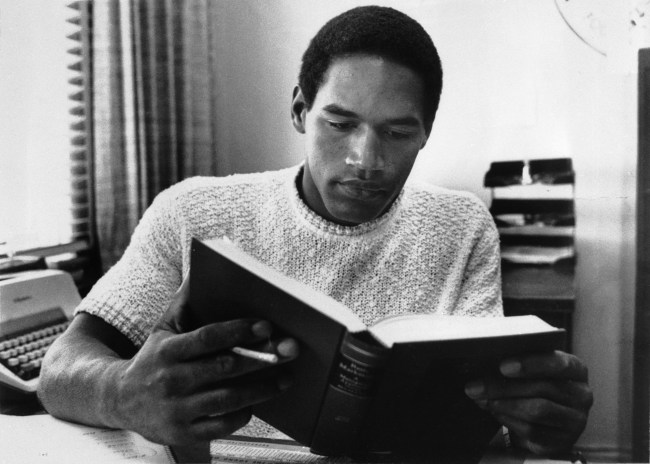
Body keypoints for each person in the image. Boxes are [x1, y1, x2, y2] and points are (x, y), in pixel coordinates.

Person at [38, 5, 592, 457]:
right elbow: (61, 367)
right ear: (301, 110)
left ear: (426, 132)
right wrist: (123, 394)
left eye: (397, 132)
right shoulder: (193, 212)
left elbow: (483, 414)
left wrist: (535, 427)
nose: (365, 160)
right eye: (340, 123)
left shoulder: (462, 226)